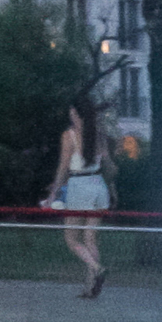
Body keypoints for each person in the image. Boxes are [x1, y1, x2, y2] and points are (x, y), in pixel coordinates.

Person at [45, 96, 114, 297]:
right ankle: (91, 287)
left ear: (76, 113)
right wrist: (112, 188)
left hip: (79, 186)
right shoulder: (99, 134)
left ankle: (96, 268)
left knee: (71, 238)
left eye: (72, 112)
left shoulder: (70, 136)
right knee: (90, 239)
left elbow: (63, 166)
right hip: (98, 185)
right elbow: (108, 166)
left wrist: (53, 193)